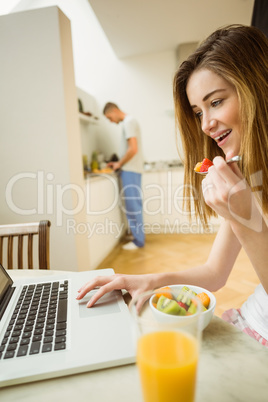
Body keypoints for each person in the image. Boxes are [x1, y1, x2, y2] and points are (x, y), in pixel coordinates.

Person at [77, 25, 268, 346]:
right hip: (250, 321)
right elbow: (214, 272)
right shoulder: (251, 175)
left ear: (258, 88)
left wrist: (245, 218)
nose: (206, 124)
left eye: (217, 102)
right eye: (198, 112)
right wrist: (144, 280)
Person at [103, 102, 145, 250]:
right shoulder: (129, 122)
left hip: (130, 170)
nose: (110, 121)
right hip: (131, 169)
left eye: (109, 117)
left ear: (114, 111)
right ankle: (136, 236)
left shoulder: (129, 122)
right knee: (133, 205)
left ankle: (138, 241)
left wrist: (119, 163)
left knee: (133, 206)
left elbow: (133, 149)